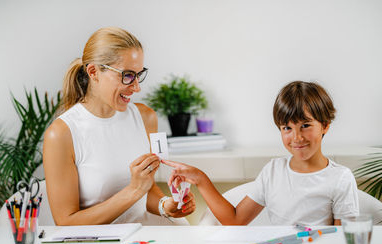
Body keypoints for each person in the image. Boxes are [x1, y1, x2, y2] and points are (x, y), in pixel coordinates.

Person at [43, 27, 195, 225]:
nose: (137, 87)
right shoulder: (62, 134)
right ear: (93, 72)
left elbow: (147, 190)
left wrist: (166, 205)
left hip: (148, 236)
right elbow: (66, 222)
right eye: (127, 75)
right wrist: (133, 190)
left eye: (139, 75)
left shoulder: (145, 117)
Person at [163, 81, 359, 226]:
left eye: (305, 125)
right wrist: (200, 179)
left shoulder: (340, 178)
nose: (297, 137)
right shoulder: (272, 171)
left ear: (325, 125)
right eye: (287, 128)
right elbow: (235, 221)